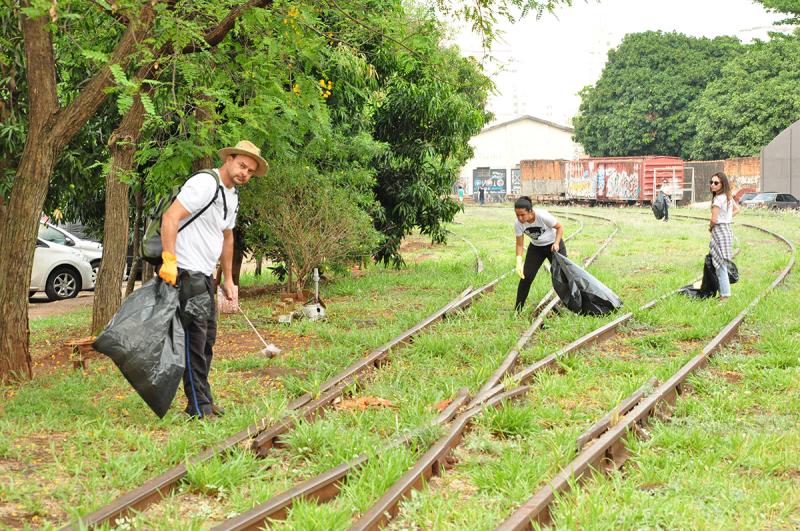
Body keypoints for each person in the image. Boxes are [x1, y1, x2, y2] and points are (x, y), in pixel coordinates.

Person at [159, 140, 268, 418]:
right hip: (186, 271)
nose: (245, 173)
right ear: (229, 159)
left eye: (250, 171)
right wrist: (169, 261)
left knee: (207, 339)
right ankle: (198, 406)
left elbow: (227, 236)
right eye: (242, 165)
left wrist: (229, 280)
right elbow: (170, 218)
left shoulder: (231, 196)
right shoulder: (204, 183)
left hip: (205, 276)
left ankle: (203, 398)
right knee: (194, 340)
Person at [513, 196, 566, 312]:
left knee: (562, 276)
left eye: (522, 215)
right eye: (517, 215)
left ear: (530, 211)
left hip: (554, 246)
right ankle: (517, 310)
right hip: (536, 248)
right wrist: (518, 260)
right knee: (526, 278)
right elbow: (519, 245)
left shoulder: (542, 216)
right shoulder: (518, 223)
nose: (520, 218)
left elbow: (560, 227)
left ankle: (570, 304)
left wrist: (556, 243)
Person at [708, 172, 740, 301]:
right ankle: (723, 294)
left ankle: (725, 296)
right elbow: (738, 210)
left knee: (720, 265)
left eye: (716, 183)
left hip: (719, 231)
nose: (713, 185)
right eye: (711, 182)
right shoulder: (728, 197)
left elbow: (714, 219)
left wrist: (710, 227)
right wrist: (727, 218)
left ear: (722, 184)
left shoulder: (718, 199)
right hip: (727, 230)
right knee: (722, 263)